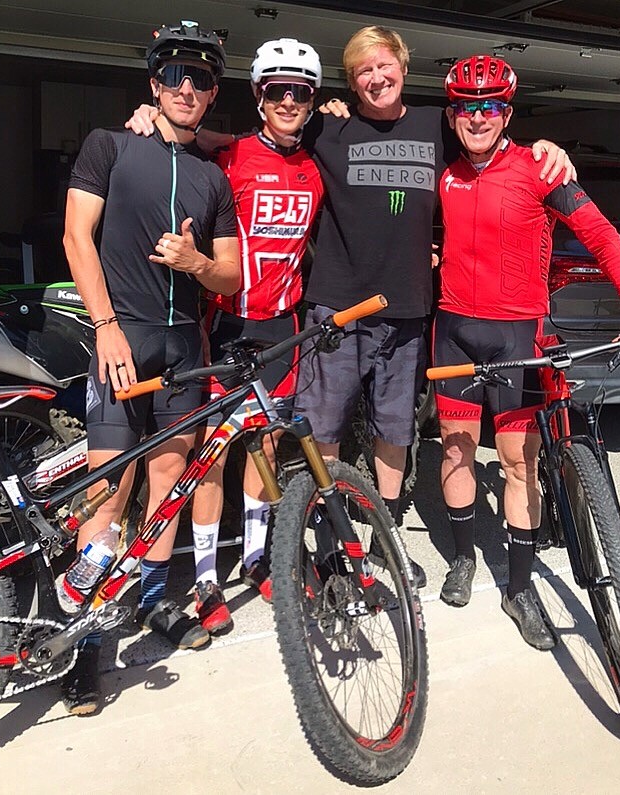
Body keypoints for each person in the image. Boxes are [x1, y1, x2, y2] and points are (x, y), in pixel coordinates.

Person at [126, 25, 572, 581]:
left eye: (385, 67)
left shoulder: (438, 123)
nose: (377, 78)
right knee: (326, 428)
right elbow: (244, 138)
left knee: (393, 433)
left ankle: (383, 536)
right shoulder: (325, 124)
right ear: (351, 80)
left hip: (408, 310)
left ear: (404, 69)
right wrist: (157, 121)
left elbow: (493, 136)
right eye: (363, 70)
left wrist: (546, 148)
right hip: (333, 311)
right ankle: (334, 540)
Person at [434, 54, 620, 649]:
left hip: (519, 335)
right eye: (467, 107)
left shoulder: (542, 169)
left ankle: (518, 588)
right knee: (457, 452)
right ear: (453, 114)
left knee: (518, 463)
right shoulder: (444, 171)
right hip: (455, 329)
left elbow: (604, 237)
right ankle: (463, 558)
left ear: (506, 111)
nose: (478, 117)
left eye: (489, 106)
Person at [60, 21, 240, 714]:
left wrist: (196, 263)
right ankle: (86, 646)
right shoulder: (111, 146)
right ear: (153, 83)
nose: (186, 87)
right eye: (174, 75)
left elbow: (228, 275)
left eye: (200, 78)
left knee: (167, 479)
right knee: (109, 493)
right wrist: (105, 326)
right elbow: (77, 237)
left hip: (183, 350)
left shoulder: (212, 176)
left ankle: (153, 602)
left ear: (213, 91)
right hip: (122, 339)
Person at [189, 39, 324, 634]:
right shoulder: (229, 156)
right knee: (213, 454)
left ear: (314, 100)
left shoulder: (316, 168)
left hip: (282, 328)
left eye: (301, 92)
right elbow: (173, 136)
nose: (289, 101)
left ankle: (254, 558)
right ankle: (203, 579)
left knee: (266, 447)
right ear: (259, 96)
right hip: (228, 326)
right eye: (278, 91)